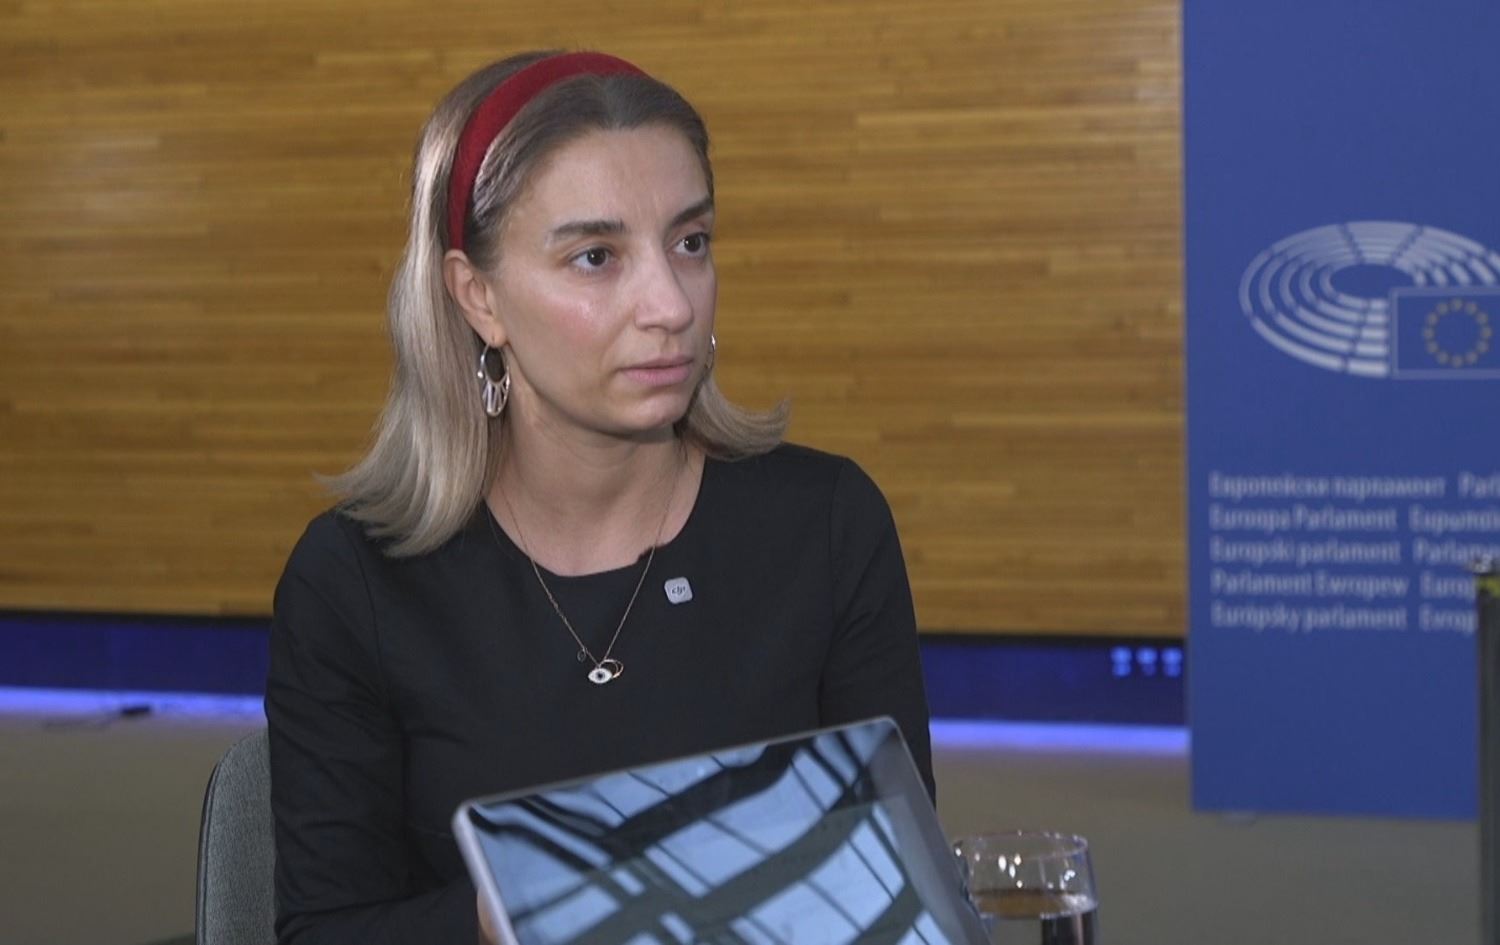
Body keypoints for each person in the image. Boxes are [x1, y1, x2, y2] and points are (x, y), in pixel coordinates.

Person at [265, 50, 934, 945]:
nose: (670, 304)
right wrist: (543, 903)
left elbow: (901, 893)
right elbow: (327, 931)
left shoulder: (827, 524)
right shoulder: (354, 581)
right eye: (596, 257)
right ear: (479, 297)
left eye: (690, 243)